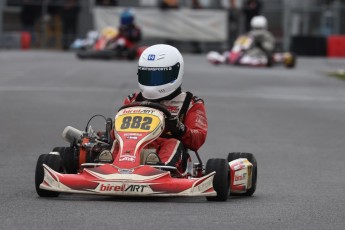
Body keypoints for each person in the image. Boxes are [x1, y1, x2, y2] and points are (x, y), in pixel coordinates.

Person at [104, 44, 208, 171]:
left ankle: (160, 170)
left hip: (169, 155)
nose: (153, 82)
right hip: (131, 149)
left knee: (173, 143)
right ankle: (105, 168)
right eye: (148, 76)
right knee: (116, 144)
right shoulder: (133, 100)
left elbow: (197, 140)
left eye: (159, 77)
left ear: (176, 72)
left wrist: (179, 129)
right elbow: (116, 135)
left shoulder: (190, 103)